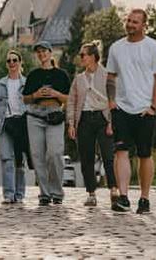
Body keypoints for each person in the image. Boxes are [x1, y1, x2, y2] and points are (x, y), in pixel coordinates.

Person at [106, 8, 156, 214]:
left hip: (145, 110)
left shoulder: (153, 48)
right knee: (121, 151)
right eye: (129, 21)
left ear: (144, 25)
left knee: (144, 154)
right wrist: (112, 101)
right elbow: (110, 77)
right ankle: (123, 197)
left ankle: (144, 198)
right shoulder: (116, 48)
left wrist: (153, 106)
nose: (130, 24)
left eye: (135, 22)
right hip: (122, 108)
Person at [67, 41, 118, 207]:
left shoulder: (107, 75)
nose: (80, 58)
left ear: (93, 57)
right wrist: (71, 124)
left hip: (103, 118)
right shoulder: (79, 79)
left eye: (83, 55)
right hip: (85, 121)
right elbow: (71, 102)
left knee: (108, 156)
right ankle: (91, 193)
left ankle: (114, 189)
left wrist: (111, 122)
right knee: (86, 158)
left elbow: (114, 101)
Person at [22, 41, 70, 206]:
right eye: (39, 52)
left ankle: (57, 191)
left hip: (54, 115)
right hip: (35, 115)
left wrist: (55, 93)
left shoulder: (61, 74)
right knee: (37, 156)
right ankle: (44, 193)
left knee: (55, 153)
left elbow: (68, 99)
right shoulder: (33, 75)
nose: (41, 54)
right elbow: (25, 98)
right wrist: (35, 94)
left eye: (44, 51)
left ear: (50, 53)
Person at [0, 50, 30, 204]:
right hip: (4, 124)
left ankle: (19, 194)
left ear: (20, 62)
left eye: (15, 60)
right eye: (9, 61)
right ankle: (8, 194)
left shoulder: (27, 83)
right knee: (6, 158)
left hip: (22, 125)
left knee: (19, 161)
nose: (12, 63)